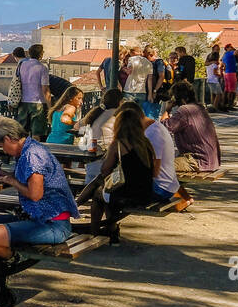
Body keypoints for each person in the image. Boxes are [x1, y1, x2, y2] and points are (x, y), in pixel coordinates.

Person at [0, 115, 79, 258]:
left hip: (53, 224)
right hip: (34, 216)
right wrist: (9, 175)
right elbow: (29, 179)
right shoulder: (27, 149)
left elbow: (35, 194)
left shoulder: (33, 155)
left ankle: (10, 261)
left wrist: (11, 181)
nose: (4, 151)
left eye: (2, 147)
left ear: (8, 139)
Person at [75, 101, 158, 244]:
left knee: (98, 193)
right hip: (145, 192)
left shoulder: (119, 144)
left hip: (128, 193)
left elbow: (105, 170)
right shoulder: (146, 143)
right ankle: (110, 231)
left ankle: (94, 231)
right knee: (105, 191)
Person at [162, 81, 222, 173]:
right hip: (212, 161)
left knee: (158, 166)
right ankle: (176, 187)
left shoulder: (184, 110)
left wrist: (167, 110)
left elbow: (163, 129)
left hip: (198, 161)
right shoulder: (200, 108)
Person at [78, 88, 124, 185]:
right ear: (120, 102)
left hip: (91, 163)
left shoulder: (97, 113)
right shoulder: (118, 115)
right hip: (106, 164)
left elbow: (77, 126)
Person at [15, 43, 51, 140]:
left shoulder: (21, 65)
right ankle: (35, 153)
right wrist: (50, 107)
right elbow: (45, 89)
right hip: (38, 103)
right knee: (37, 134)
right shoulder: (42, 68)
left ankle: (23, 153)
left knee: (22, 133)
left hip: (23, 102)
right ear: (40, 54)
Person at [220, 43, 238, 109]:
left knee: (226, 89)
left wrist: (222, 73)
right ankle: (230, 105)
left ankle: (224, 104)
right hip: (231, 73)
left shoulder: (224, 55)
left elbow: (222, 64)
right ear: (227, 48)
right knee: (232, 90)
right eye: (230, 47)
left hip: (226, 73)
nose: (232, 48)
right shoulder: (230, 53)